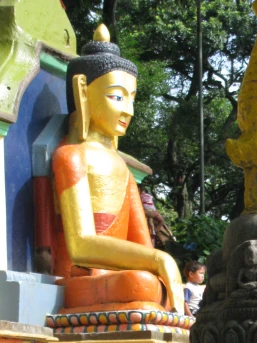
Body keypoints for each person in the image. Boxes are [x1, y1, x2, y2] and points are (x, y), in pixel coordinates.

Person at [52, 24, 184, 314]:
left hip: (120, 279)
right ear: (83, 91)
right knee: (141, 283)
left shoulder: (121, 168)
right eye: (117, 97)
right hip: (80, 275)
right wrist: (158, 261)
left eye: (132, 98)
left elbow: (141, 245)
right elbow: (81, 247)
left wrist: (157, 263)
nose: (129, 111)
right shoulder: (70, 157)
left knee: (149, 284)